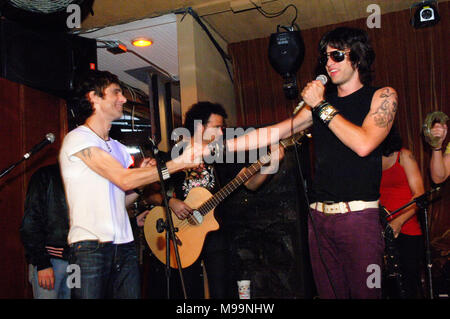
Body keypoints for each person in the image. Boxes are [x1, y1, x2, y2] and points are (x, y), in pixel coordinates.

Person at [225, 27, 397, 298]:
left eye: (337, 55)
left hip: (358, 219)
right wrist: (217, 147)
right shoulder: (319, 105)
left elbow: (364, 144)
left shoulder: (382, 96)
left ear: (358, 57)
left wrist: (320, 106)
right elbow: (274, 131)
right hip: (318, 220)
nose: (329, 63)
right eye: (325, 57)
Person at [58, 70, 204, 299]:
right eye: (116, 92)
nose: (124, 99)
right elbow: (123, 178)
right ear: (93, 97)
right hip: (88, 246)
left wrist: (142, 177)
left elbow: (124, 196)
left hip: (124, 244)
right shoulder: (79, 138)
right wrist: (177, 164)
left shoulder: (118, 149)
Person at [166, 101, 283, 298]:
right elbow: (152, 191)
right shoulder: (176, 155)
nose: (222, 132)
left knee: (221, 291)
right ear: (199, 127)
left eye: (223, 127)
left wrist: (272, 164)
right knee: (188, 292)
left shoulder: (223, 154)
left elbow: (251, 183)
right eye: (217, 127)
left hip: (215, 232)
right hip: (183, 234)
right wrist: (171, 201)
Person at [379, 127, 425, 298]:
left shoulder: (404, 155)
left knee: (407, 286)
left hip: (407, 229)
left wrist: (399, 221)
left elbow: (419, 195)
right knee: (380, 284)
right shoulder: (369, 160)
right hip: (381, 231)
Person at [20, 163, 70, 299]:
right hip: (50, 260)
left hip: (77, 260)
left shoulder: (87, 177)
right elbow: (30, 222)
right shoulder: (46, 175)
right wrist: (42, 263)